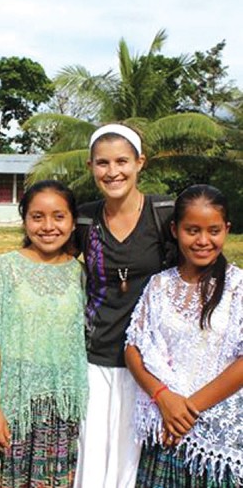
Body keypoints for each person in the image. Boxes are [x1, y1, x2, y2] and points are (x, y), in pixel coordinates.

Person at [0, 180, 88, 487]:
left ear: (72, 222)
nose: (48, 226)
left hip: (59, 413)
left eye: (59, 216)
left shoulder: (81, 273)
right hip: (10, 407)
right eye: (37, 216)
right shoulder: (5, 268)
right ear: (25, 220)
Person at [74, 124, 176, 488]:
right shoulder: (84, 219)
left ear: (140, 163)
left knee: (131, 457)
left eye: (121, 161)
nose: (112, 171)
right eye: (102, 163)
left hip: (149, 363)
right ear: (91, 167)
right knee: (91, 452)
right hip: (94, 355)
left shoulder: (164, 214)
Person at [125, 184, 243, 486]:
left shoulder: (237, 287)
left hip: (213, 435)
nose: (203, 241)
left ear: (226, 230)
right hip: (165, 432)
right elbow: (134, 349)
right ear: (176, 230)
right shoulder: (159, 286)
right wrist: (163, 398)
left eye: (213, 230)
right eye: (193, 230)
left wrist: (186, 411)